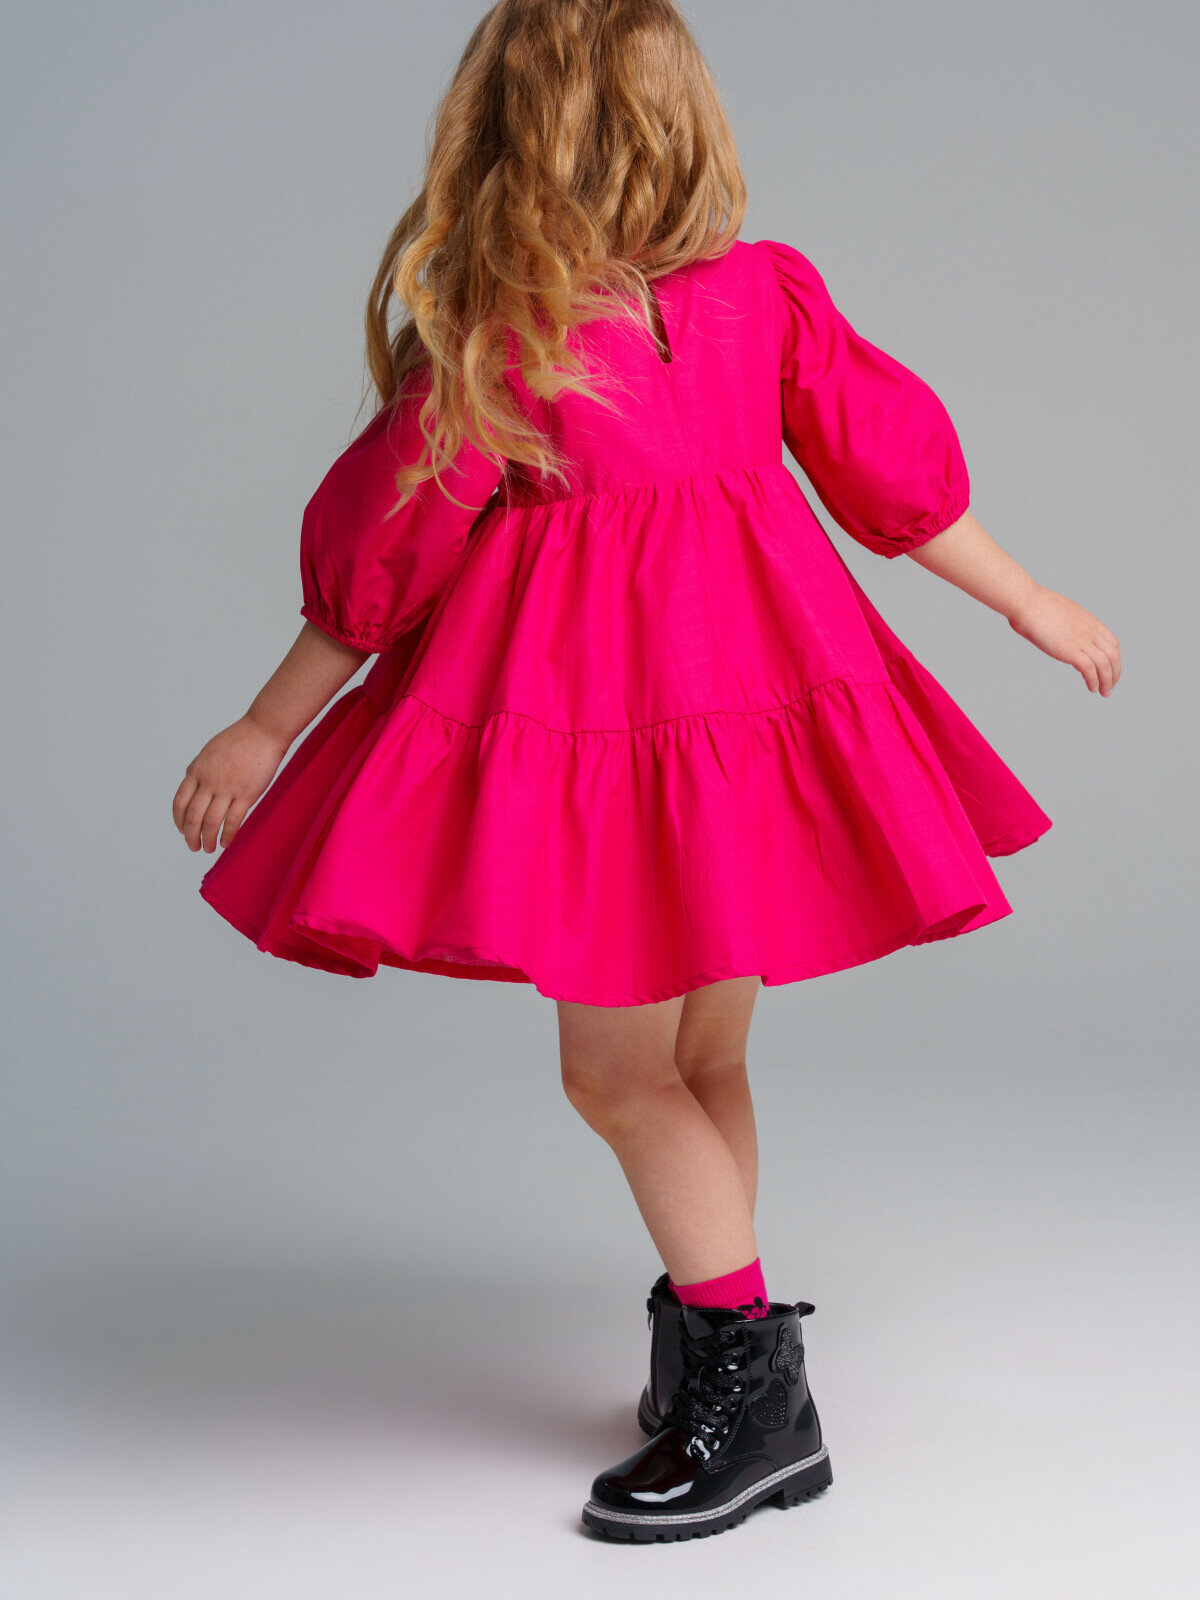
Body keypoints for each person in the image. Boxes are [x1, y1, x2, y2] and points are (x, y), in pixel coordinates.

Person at [171, 0, 1121, 1543]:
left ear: (507, 131)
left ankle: (753, 1387)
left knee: (615, 1074)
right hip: (748, 724)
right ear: (682, 121)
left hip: (614, 739)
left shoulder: (512, 330)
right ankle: (712, 1350)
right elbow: (882, 466)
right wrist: (1026, 598)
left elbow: (386, 553)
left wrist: (269, 726)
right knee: (704, 1062)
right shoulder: (758, 292)